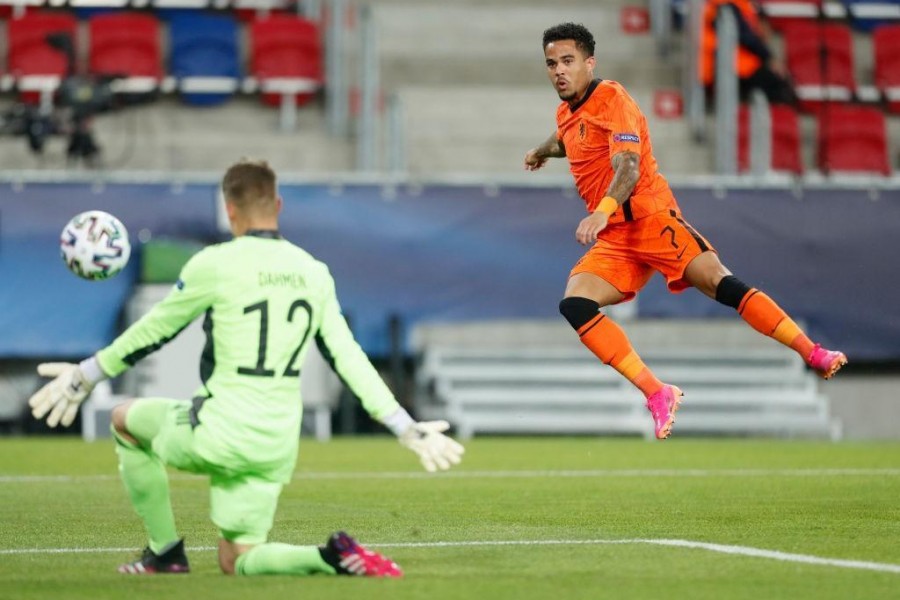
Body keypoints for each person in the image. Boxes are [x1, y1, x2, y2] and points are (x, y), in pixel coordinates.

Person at [28, 159, 465, 577]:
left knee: (124, 421)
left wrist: (85, 375)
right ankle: (329, 555)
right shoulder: (313, 272)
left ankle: (164, 554)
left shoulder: (215, 263)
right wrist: (404, 426)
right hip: (275, 443)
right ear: (278, 206)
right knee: (238, 559)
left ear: (229, 209)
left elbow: (154, 331)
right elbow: (348, 358)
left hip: (220, 431)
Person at [524, 23, 845, 440]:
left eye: (568, 61)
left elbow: (628, 167)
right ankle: (657, 393)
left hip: (653, 220)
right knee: (576, 304)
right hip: (618, 242)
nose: (559, 71)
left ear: (590, 62)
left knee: (719, 282)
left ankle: (813, 352)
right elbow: (569, 136)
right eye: (552, 64)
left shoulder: (614, 100)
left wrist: (602, 210)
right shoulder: (567, 113)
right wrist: (541, 150)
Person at [700, 0, 797, 105]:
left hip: (737, 65)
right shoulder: (725, 6)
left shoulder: (737, 4)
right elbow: (745, 37)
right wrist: (769, 58)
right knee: (779, 84)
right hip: (732, 68)